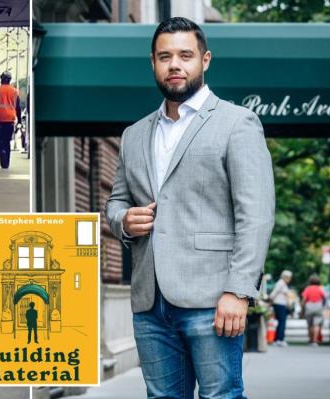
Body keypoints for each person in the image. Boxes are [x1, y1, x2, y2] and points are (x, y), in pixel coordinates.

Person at [105, 17, 275, 398]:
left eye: (185, 55)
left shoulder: (237, 124)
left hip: (212, 297)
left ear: (205, 60)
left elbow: (257, 214)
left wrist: (239, 291)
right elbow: (116, 201)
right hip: (150, 301)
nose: (175, 65)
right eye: (165, 56)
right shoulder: (134, 135)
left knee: (220, 396)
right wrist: (123, 221)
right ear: (153, 63)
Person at [0, 71, 21, 169]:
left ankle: (1, 151)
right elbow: (18, 108)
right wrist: (19, 122)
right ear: (10, 80)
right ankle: (5, 164)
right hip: (10, 120)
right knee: (7, 141)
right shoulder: (15, 91)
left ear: (1, 80)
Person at [301, 274, 326, 346]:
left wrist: (302, 308)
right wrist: (322, 305)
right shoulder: (320, 288)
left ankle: (310, 339)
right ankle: (315, 341)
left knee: (310, 325)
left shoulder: (308, 288)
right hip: (318, 306)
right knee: (316, 324)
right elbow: (324, 298)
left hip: (309, 306)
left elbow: (304, 299)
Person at [269, 270, 292, 346]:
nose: (290, 279)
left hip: (280, 304)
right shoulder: (281, 283)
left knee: (281, 322)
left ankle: (278, 339)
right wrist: (270, 301)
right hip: (280, 304)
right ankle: (280, 339)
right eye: (289, 277)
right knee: (282, 322)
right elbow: (274, 293)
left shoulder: (282, 283)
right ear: (286, 277)